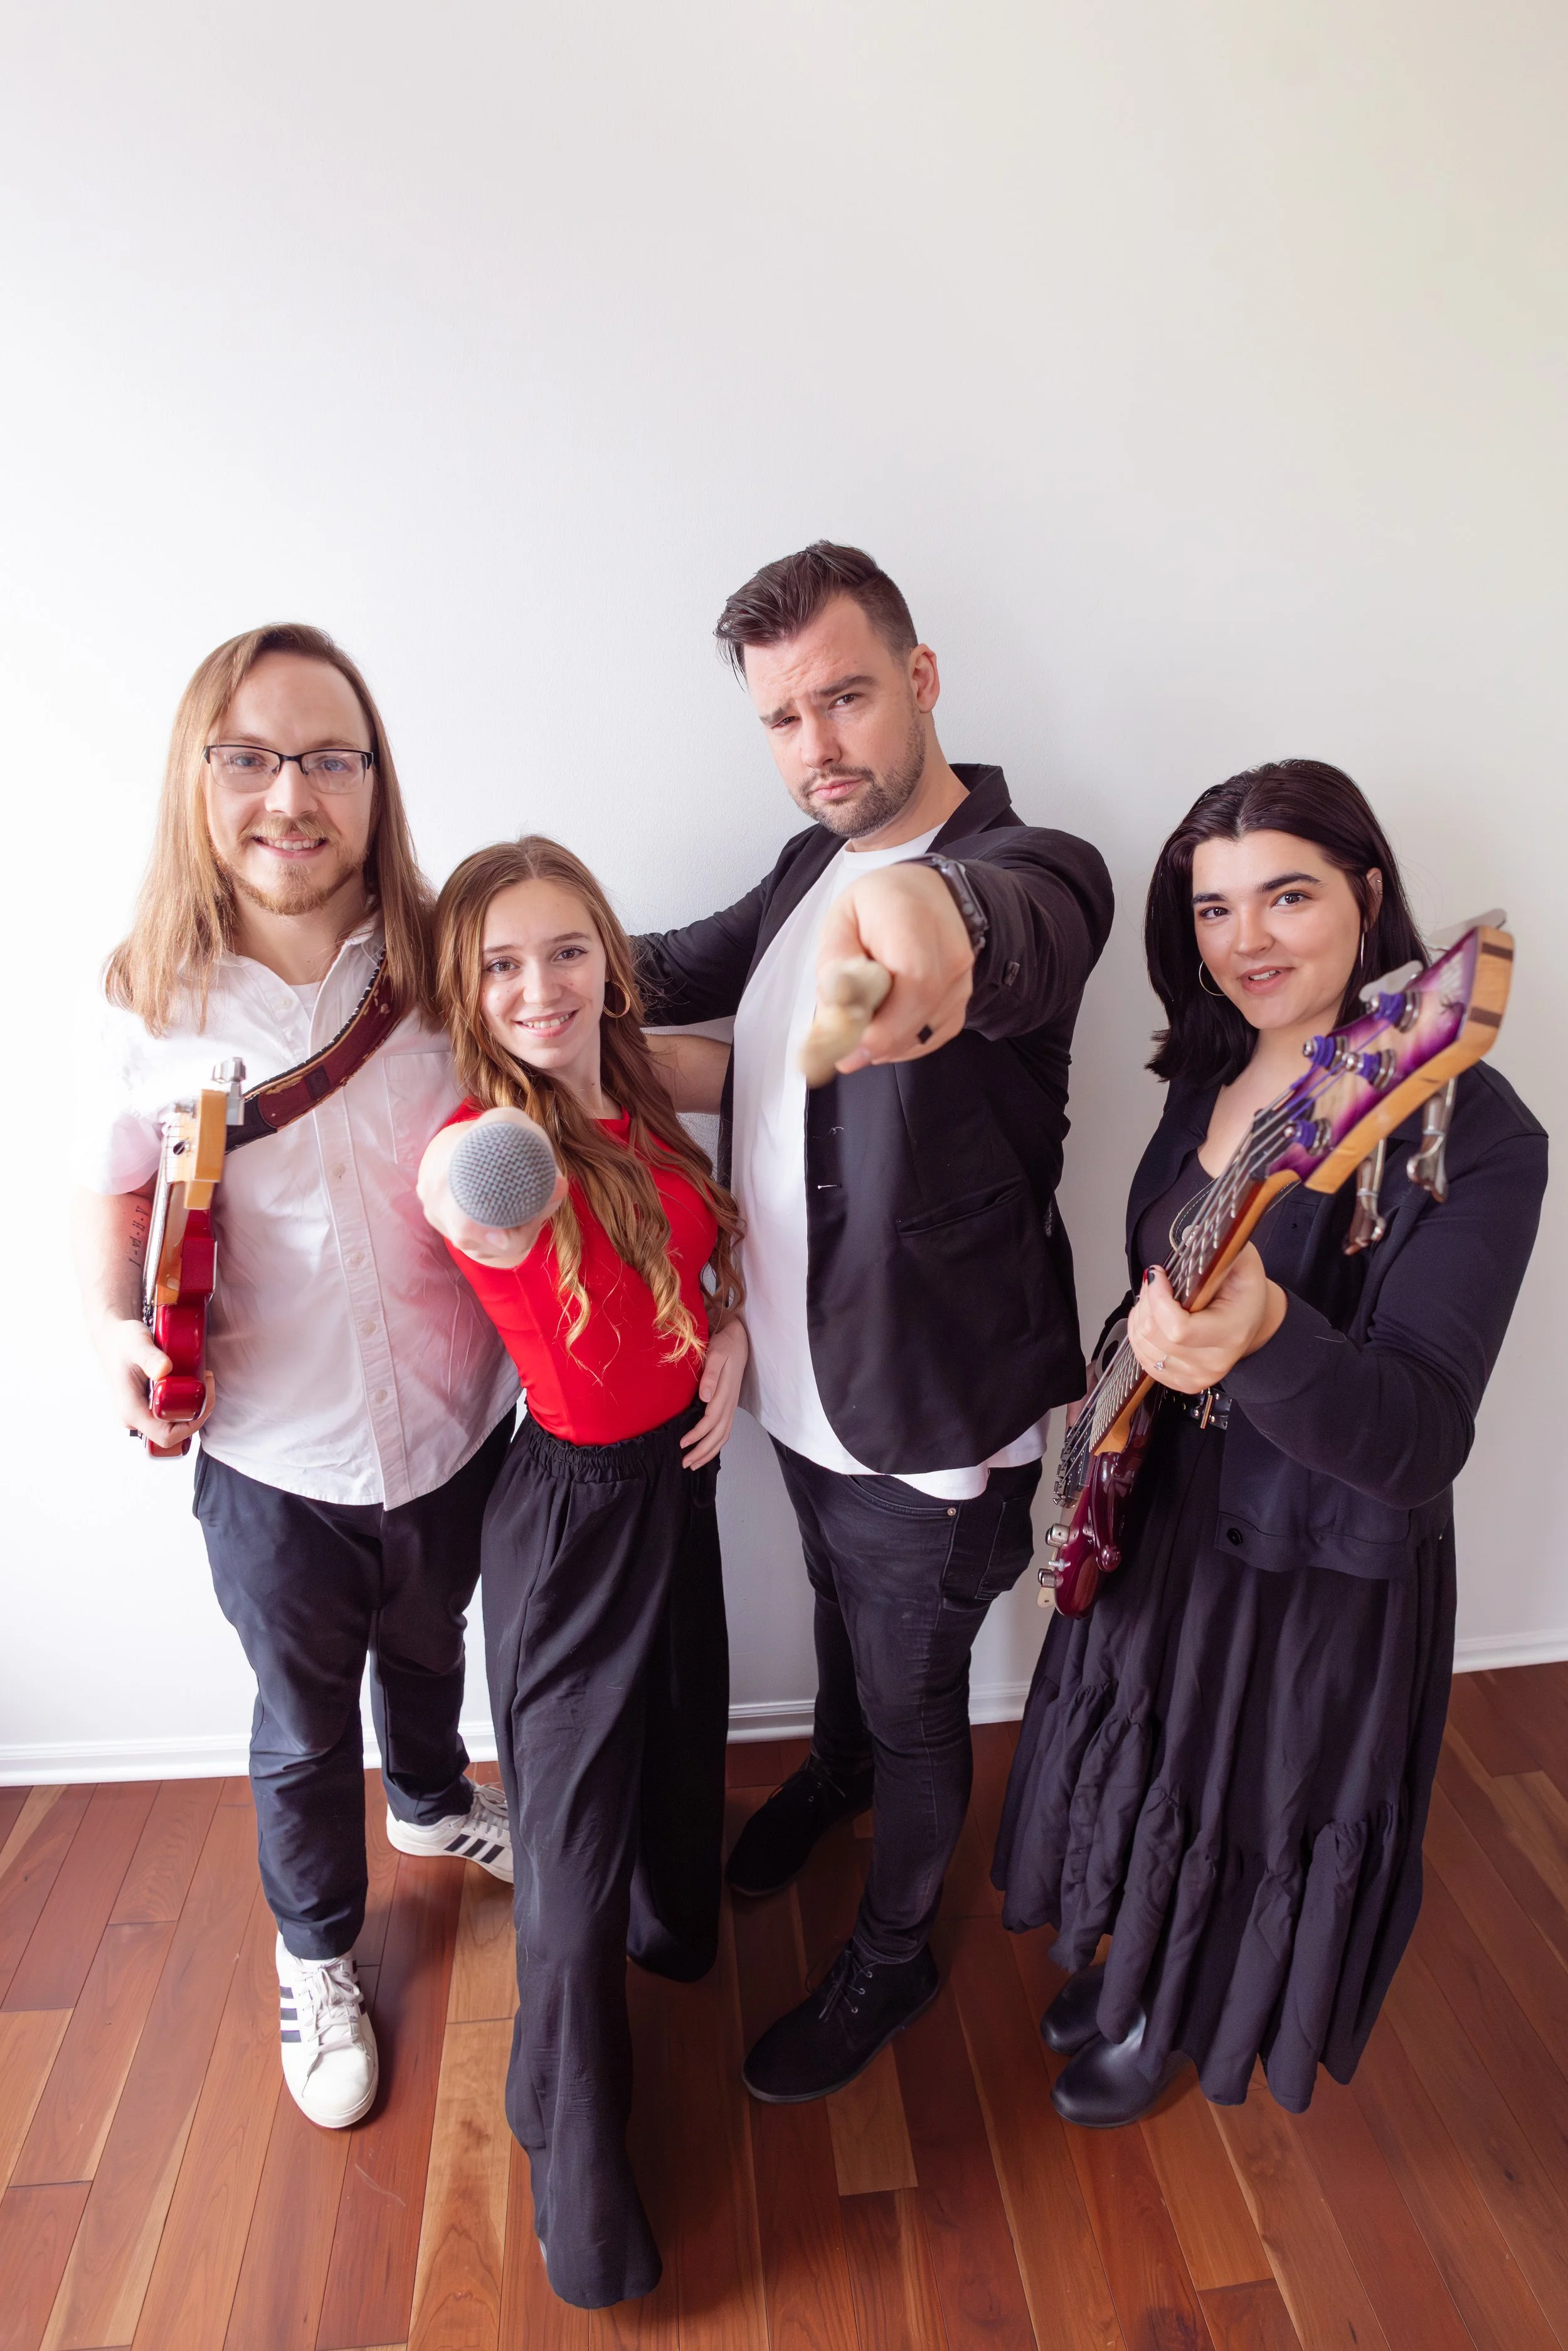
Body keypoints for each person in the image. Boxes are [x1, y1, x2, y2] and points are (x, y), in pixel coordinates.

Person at [993, 760, 1547, 2126]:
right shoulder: (1209, 1073)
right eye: (1214, 908)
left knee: (1243, 1793)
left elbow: (1419, 1435)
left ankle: (1175, 2015)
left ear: (1368, 896)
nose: (1247, 940)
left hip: (1312, 1558)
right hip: (1163, 1500)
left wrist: (1268, 1333)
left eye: (1287, 896)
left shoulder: (1477, 1135)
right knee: (1145, 1753)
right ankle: (1129, 1967)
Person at [633, 541, 1114, 2102]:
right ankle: (830, 1772)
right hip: (798, 1376)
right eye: (782, 718)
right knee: (838, 1618)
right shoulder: (799, 869)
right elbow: (680, 987)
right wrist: (510, 963)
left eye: (843, 697)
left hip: (926, 1407)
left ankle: (896, 1951)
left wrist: (919, 903)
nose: (816, 745)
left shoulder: (1037, 862)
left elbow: (974, 931)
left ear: (919, 679)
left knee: (916, 1704)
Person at [72, 625, 519, 2133]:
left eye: (331, 757)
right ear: (197, 776)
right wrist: (112, 1328)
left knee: (432, 1641)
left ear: (376, 780)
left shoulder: (447, 959)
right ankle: (318, 1948)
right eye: (252, 756)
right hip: (272, 1455)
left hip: (457, 1418)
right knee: (301, 1718)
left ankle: (434, 1801)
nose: (291, 794)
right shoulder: (148, 998)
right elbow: (111, 1184)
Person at [416, 836, 747, 2310]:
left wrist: (727, 1328)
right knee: (564, 1858)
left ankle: (672, 1942)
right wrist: (470, 1187)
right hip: (569, 1522)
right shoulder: (497, 1138)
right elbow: (474, 1189)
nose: (537, 987)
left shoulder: (643, 1085)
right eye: (498, 965)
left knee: (678, 1740)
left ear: (609, 956)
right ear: (465, 990)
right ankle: (580, 2192)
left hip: (675, 1481)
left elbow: (708, 1223)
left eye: (563, 950)